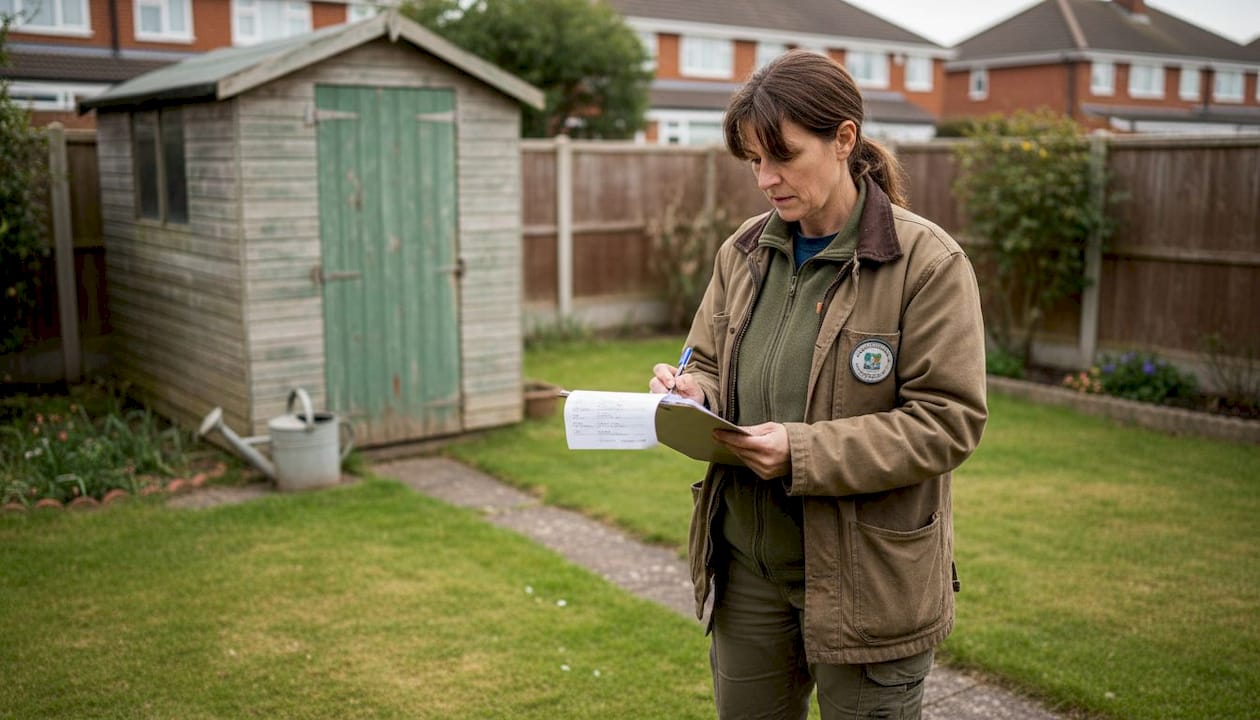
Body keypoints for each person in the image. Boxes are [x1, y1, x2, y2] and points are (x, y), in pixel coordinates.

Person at [648, 50, 988, 720]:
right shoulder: (742, 252)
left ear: (844, 139)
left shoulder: (927, 263)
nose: (765, 179)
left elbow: (948, 421)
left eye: (783, 156)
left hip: (871, 585)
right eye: (752, 160)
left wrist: (802, 453)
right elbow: (709, 359)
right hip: (748, 573)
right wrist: (694, 389)